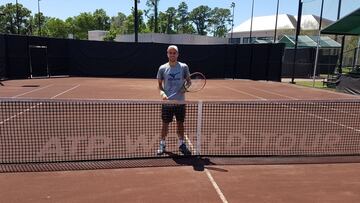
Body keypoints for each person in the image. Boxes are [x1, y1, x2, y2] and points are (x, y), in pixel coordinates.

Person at [156, 45, 191, 156]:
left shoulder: (184, 67)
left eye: (174, 53)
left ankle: (181, 144)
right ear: (167, 54)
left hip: (180, 102)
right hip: (167, 103)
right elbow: (159, 86)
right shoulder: (162, 68)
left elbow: (189, 81)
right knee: (165, 124)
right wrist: (162, 93)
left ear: (177, 54)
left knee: (180, 124)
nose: (172, 54)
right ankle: (162, 144)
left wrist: (184, 88)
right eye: (170, 53)